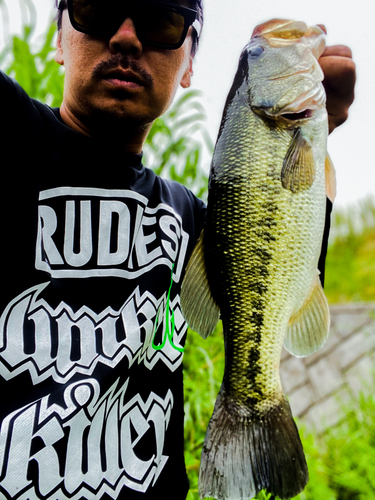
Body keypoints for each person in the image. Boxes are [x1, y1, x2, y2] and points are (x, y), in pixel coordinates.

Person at [0, 1, 355, 499]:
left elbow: (282, 257)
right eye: (94, 9)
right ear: (58, 40)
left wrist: (319, 137)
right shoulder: (9, 138)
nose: (126, 38)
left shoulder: (190, 216)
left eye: (161, 21)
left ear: (188, 64)